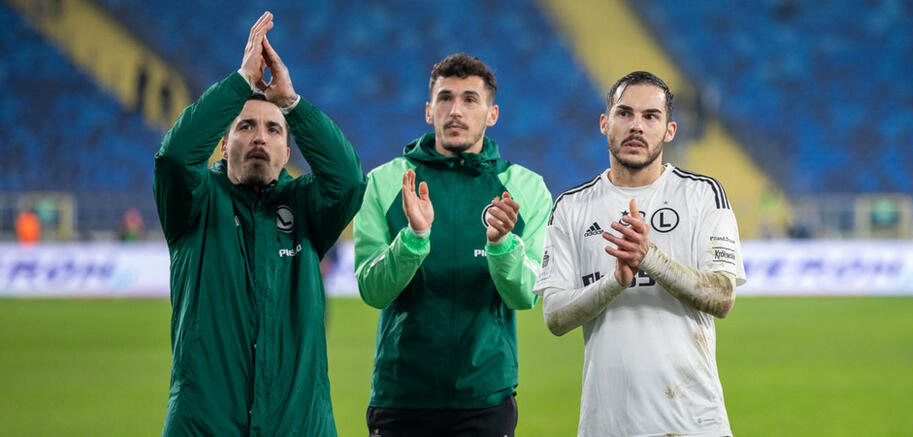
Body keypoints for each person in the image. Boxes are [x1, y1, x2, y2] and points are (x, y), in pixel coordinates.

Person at [153, 12, 365, 436]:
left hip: (298, 423)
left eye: (273, 129)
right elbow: (176, 158)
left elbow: (348, 180)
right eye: (245, 126)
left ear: (288, 151)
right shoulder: (194, 204)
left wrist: (292, 104)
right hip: (205, 425)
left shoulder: (305, 205)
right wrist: (238, 84)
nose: (259, 137)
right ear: (224, 143)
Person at [534, 71, 746, 436]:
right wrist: (615, 282)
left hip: (693, 423)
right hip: (607, 425)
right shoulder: (570, 207)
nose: (636, 126)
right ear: (605, 123)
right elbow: (554, 317)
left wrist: (649, 258)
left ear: (670, 130)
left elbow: (722, 297)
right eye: (624, 113)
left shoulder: (703, 195)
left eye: (651, 116)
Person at [353, 53, 552, 437]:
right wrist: (413, 239)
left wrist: (501, 244)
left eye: (469, 99)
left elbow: (526, 294)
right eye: (445, 98)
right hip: (402, 396)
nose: (455, 110)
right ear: (429, 110)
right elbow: (372, 290)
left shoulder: (525, 188)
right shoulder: (385, 182)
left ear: (492, 114)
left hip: (485, 397)